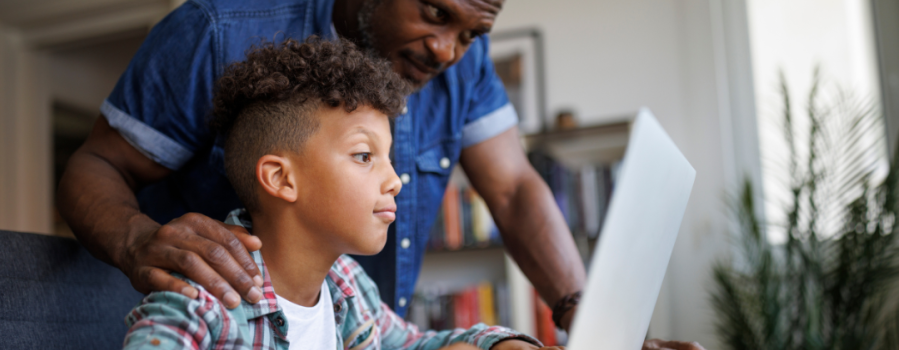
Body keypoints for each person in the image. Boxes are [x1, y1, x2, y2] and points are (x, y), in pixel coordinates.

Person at [56, 0, 702, 348]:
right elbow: (96, 163)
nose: (448, 51)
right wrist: (138, 238)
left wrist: (579, 316)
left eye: (473, 32)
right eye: (433, 12)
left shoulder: (345, 292)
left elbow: (511, 187)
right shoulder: (215, 32)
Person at [123, 36, 553, 350]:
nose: (395, 181)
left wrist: (501, 345)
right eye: (365, 156)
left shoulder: (344, 281)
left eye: (389, 158)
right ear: (281, 179)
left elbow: (414, 343)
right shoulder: (202, 296)